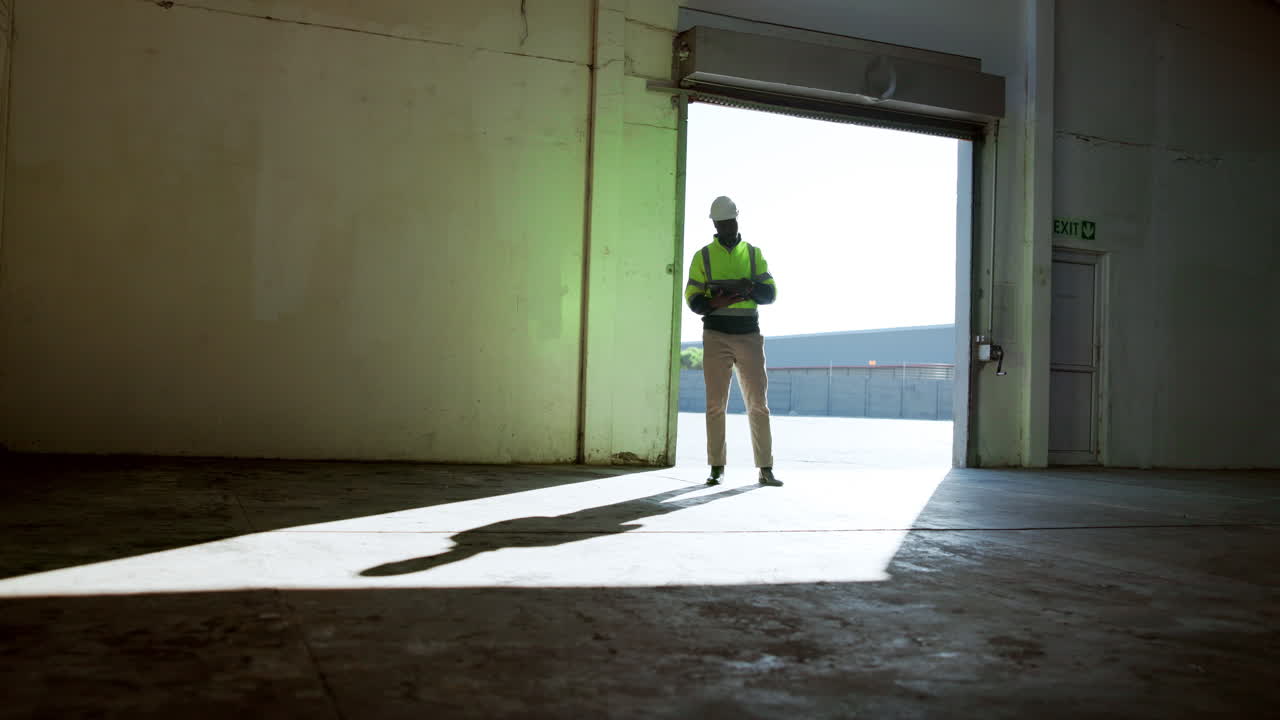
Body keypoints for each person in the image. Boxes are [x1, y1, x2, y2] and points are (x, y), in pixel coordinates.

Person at [684, 196, 782, 487]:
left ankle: (765, 468)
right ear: (715, 225)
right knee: (715, 404)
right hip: (716, 336)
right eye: (723, 223)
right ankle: (716, 467)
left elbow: (770, 294)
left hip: (749, 335)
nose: (728, 227)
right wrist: (716, 302)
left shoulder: (753, 254)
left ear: (737, 220)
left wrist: (749, 288)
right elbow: (693, 299)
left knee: (758, 404)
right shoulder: (702, 257)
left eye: (731, 222)